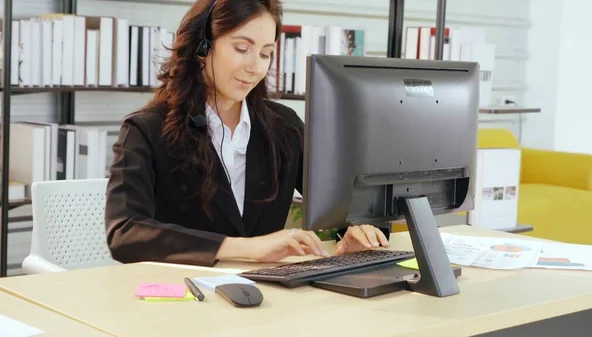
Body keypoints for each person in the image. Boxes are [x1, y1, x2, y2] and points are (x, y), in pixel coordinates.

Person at [104, 0, 390, 267]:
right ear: (202, 47)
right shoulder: (146, 130)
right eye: (242, 48)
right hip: (184, 298)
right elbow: (125, 232)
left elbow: (338, 203)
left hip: (266, 297)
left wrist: (355, 231)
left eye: (265, 53)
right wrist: (246, 248)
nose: (255, 67)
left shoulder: (284, 127)